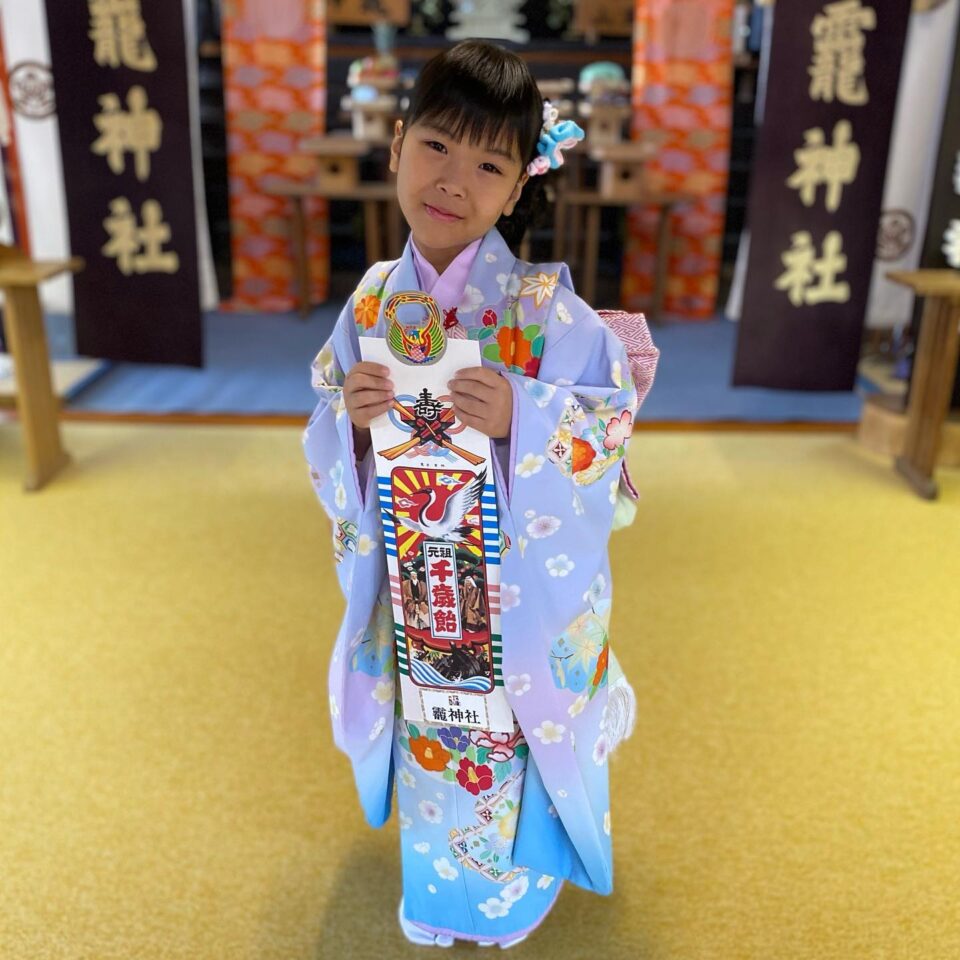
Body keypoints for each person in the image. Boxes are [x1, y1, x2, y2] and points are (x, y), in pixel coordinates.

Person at [303, 39, 658, 949]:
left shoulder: (547, 312)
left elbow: (602, 429)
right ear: (396, 145)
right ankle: (437, 894)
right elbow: (325, 428)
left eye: (489, 162)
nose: (454, 180)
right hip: (420, 581)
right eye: (436, 147)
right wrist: (348, 419)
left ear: (517, 187)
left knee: (500, 736)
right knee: (435, 725)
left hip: (505, 588)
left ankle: (507, 896)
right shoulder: (374, 301)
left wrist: (527, 417)